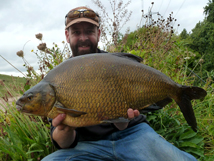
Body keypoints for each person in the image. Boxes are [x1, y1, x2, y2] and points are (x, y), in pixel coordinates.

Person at [42, 6, 197, 161]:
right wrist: (66, 129)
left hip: (133, 133)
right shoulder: (59, 77)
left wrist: (122, 119)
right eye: (76, 32)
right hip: (88, 145)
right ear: (67, 36)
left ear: (99, 33)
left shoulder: (117, 64)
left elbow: (124, 123)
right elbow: (64, 143)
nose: (83, 38)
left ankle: (180, 94)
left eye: (89, 31)